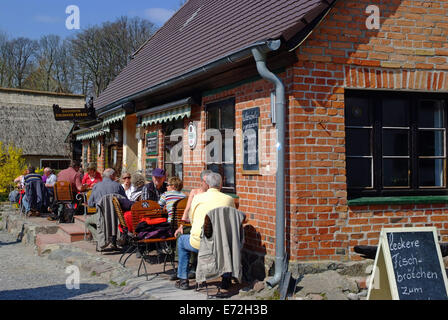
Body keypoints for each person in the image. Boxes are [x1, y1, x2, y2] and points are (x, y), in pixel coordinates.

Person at [174, 172, 235, 290]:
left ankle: (183, 280)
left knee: (181, 241)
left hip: (199, 243)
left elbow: (192, 219)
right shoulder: (229, 199)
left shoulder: (198, 198)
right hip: (220, 245)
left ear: (207, 184)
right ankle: (226, 279)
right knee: (229, 242)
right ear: (221, 185)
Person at [85, 168, 127, 246]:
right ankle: (113, 241)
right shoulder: (118, 186)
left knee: (87, 223)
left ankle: (100, 239)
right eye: (115, 175)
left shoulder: (96, 186)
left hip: (101, 216)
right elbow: (125, 202)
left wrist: (99, 204)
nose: (115, 177)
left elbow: (90, 204)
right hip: (116, 218)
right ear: (111, 176)